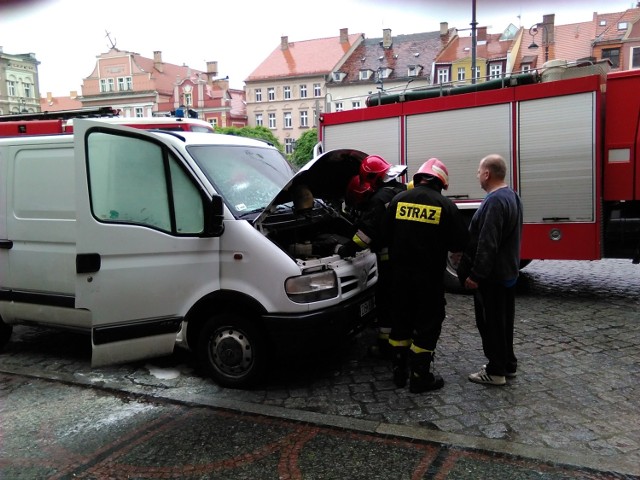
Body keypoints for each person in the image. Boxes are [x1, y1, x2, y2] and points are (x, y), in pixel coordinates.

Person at [385, 158, 469, 393]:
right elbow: (459, 243)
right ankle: (420, 377)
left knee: (400, 323)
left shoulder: (397, 200)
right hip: (428, 281)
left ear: (419, 178)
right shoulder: (445, 205)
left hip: (399, 279)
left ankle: (399, 372)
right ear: (441, 182)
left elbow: (383, 234)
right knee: (428, 324)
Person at [461, 153, 523, 386]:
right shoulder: (512, 196)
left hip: (493, 278)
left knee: (491, 323)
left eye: (479, 171)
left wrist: (476, 275)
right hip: (507, 274)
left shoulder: (494, 201)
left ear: (487, 173)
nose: (478, 175)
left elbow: (488, 242)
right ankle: (508, 363)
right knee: (504, 322)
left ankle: (495, 371)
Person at [339, 155, 407, 359]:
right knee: (402, 301)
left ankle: (386, 346)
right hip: (406, 256)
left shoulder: (379, 199)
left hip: (389, 260)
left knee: (386, 301)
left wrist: (347, 249)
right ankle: (404, 342)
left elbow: (366, 235)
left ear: (371, 177)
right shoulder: (402, 191)